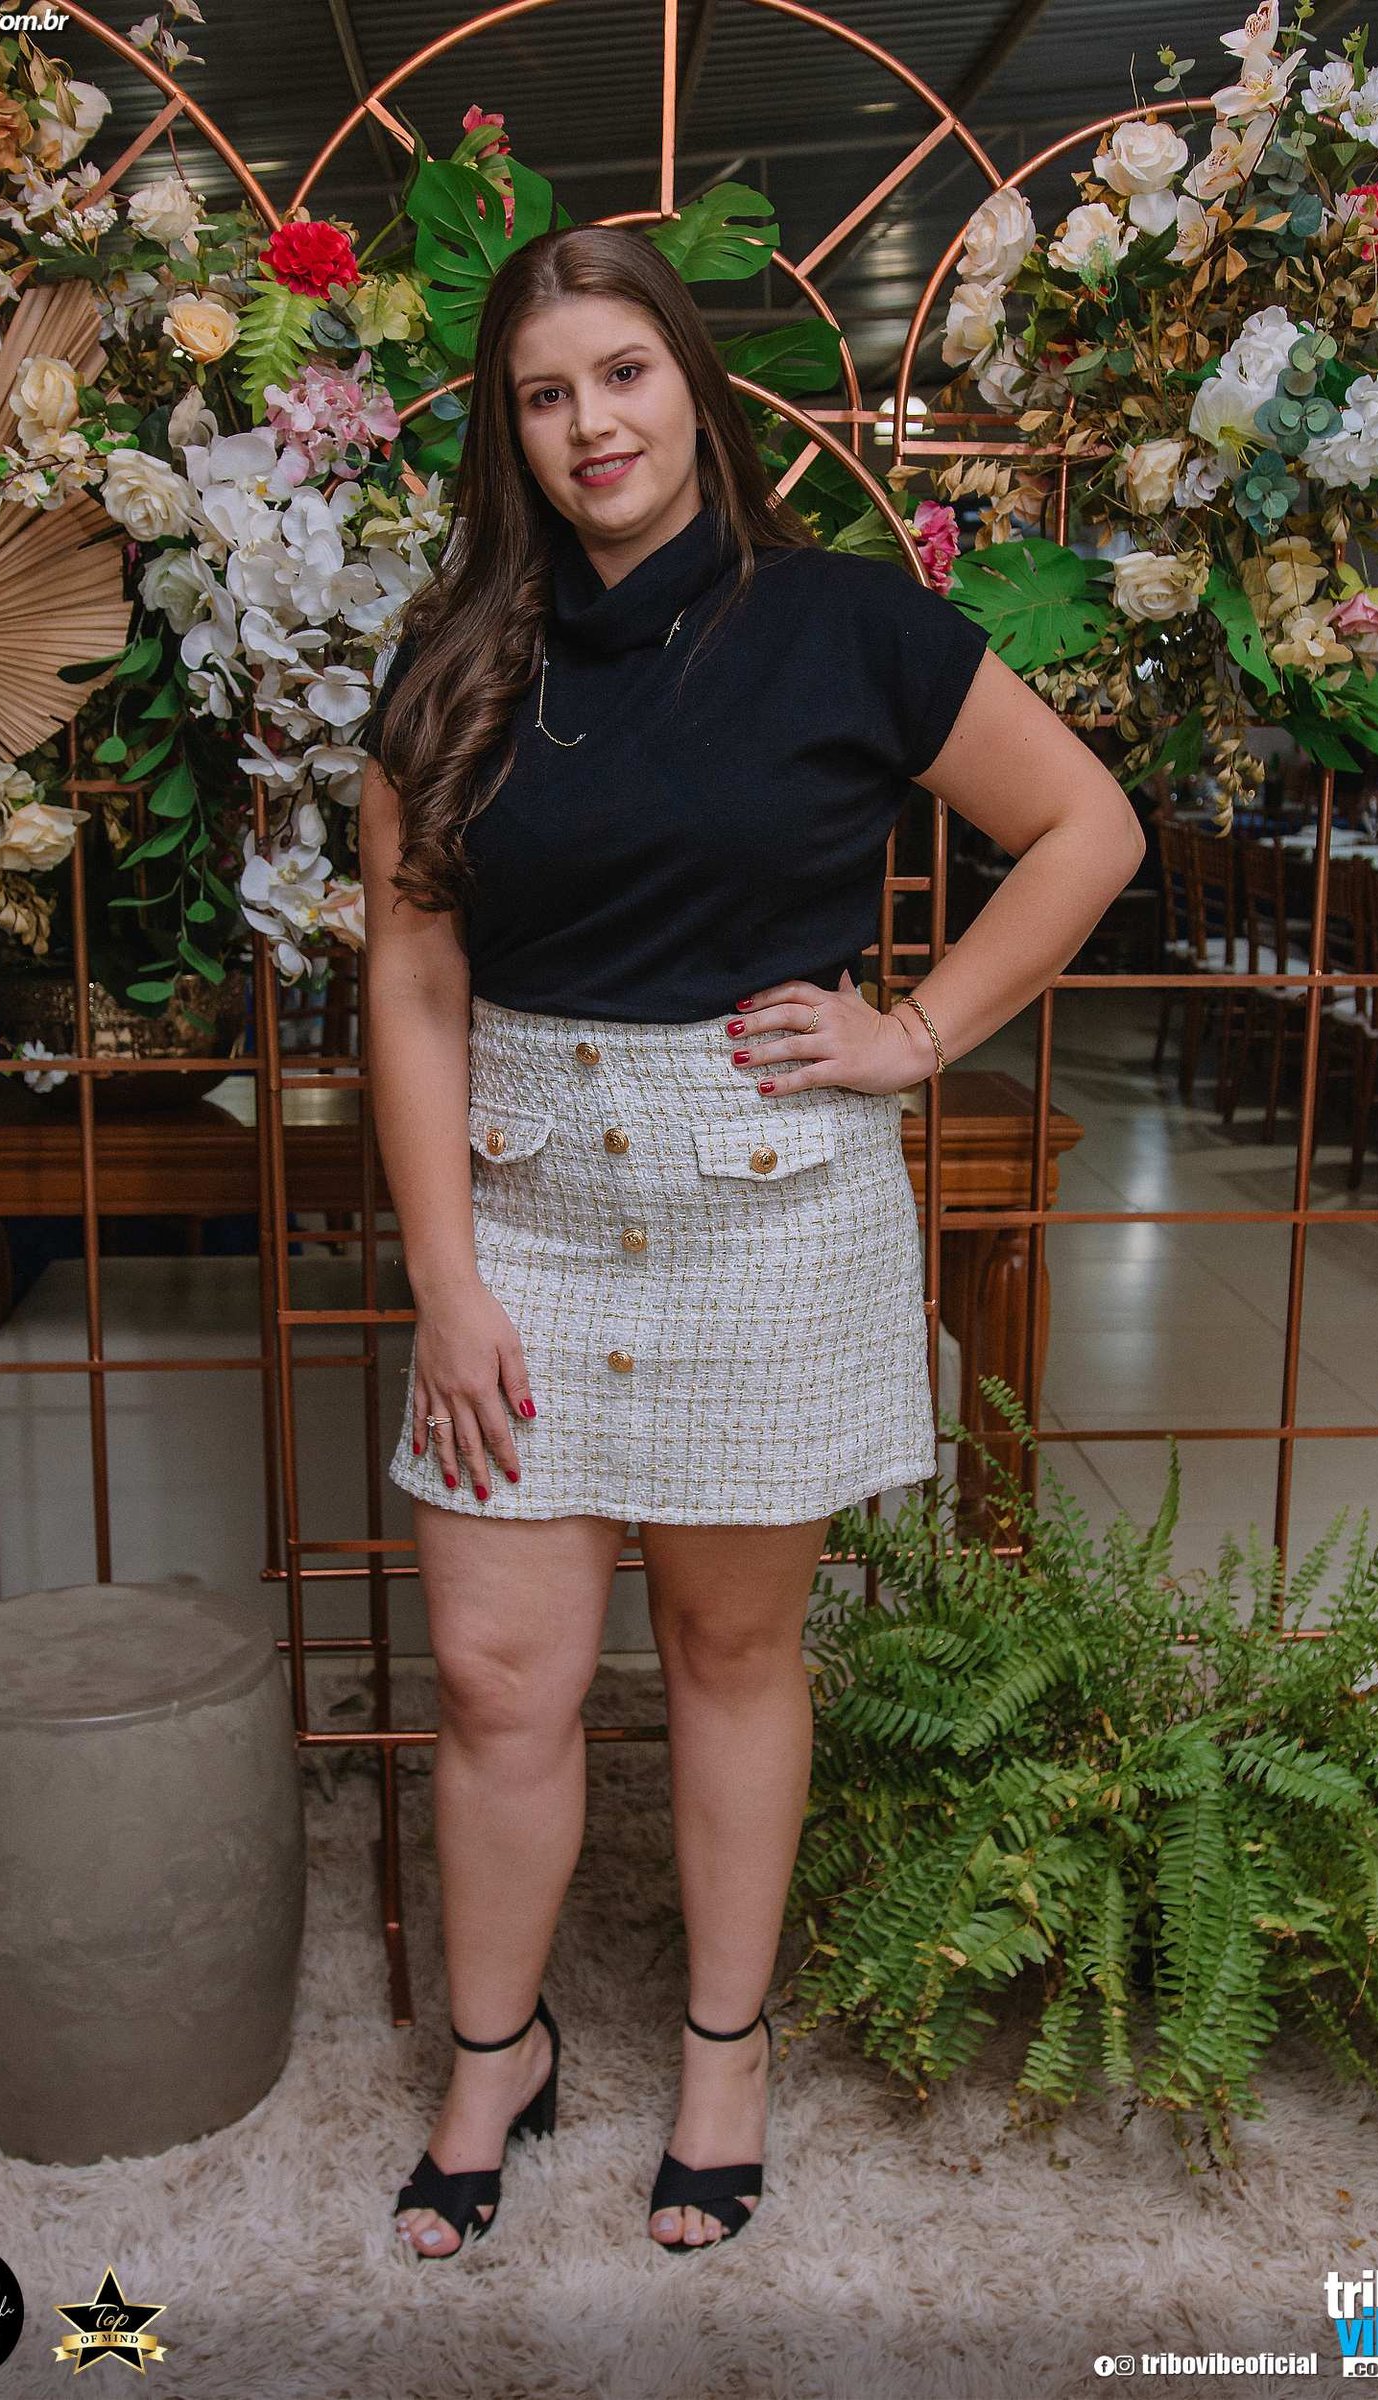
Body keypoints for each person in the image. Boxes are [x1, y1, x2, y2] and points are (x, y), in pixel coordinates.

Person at [358, 222, 1145, 2261]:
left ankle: (725, 2052)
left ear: (693, 391)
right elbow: (415, 987)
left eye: (621, 374)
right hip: (522, 1208)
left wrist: (917, 1033)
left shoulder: (846, 626)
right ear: (509, 436)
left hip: (764, 1204)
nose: (589, 424)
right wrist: (445, 1277)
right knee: (495, 1677)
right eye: (543, 395)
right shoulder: (452, 663)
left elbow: (1087, 829)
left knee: (729, 1652)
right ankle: (495, 2054)